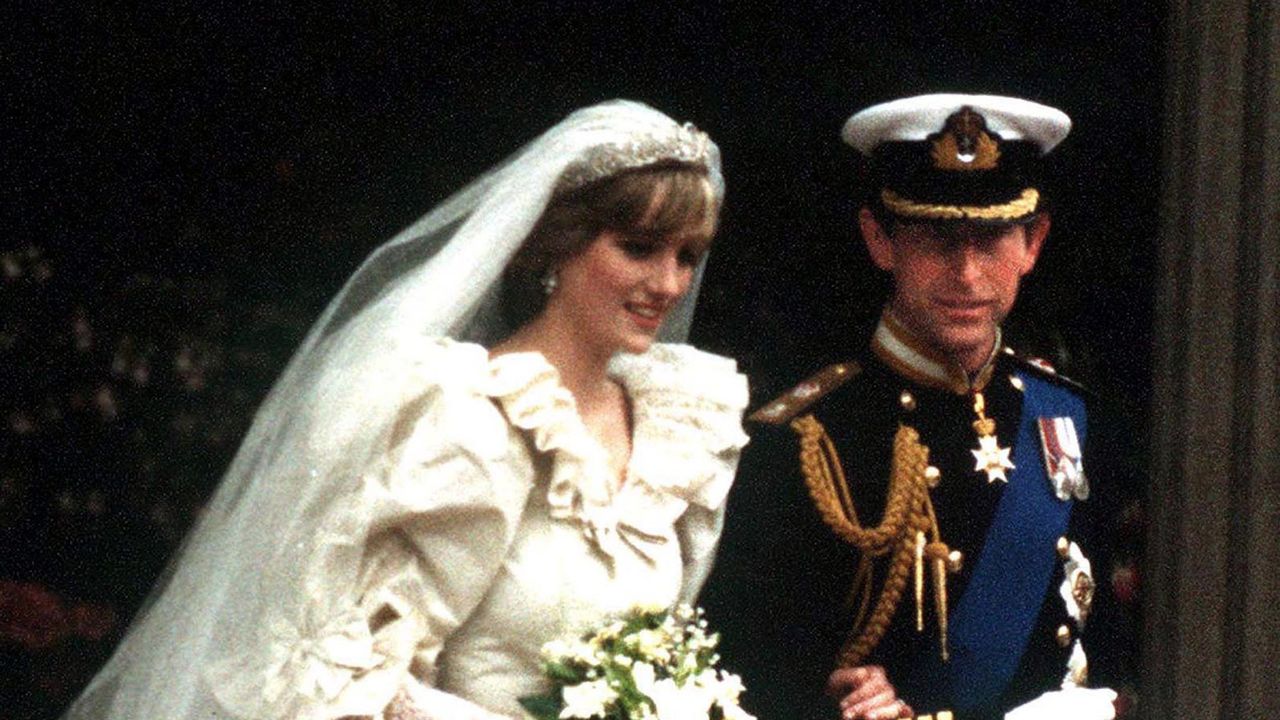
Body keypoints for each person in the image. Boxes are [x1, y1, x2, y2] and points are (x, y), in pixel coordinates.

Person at [61, 100, 749, 719]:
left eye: (688, 256)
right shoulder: (463, 417)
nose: (669, 283)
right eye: (638, 248)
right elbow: (352, 678)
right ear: (559, 244)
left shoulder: (678, 432)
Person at [701, 94, 1138, 720]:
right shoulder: (804, 438)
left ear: (1033, 243)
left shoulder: (1072, 420)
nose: (966, 274)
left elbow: (1113, 653)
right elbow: (746, 674)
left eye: (990, 240)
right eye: (937, 241)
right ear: (880, 240)